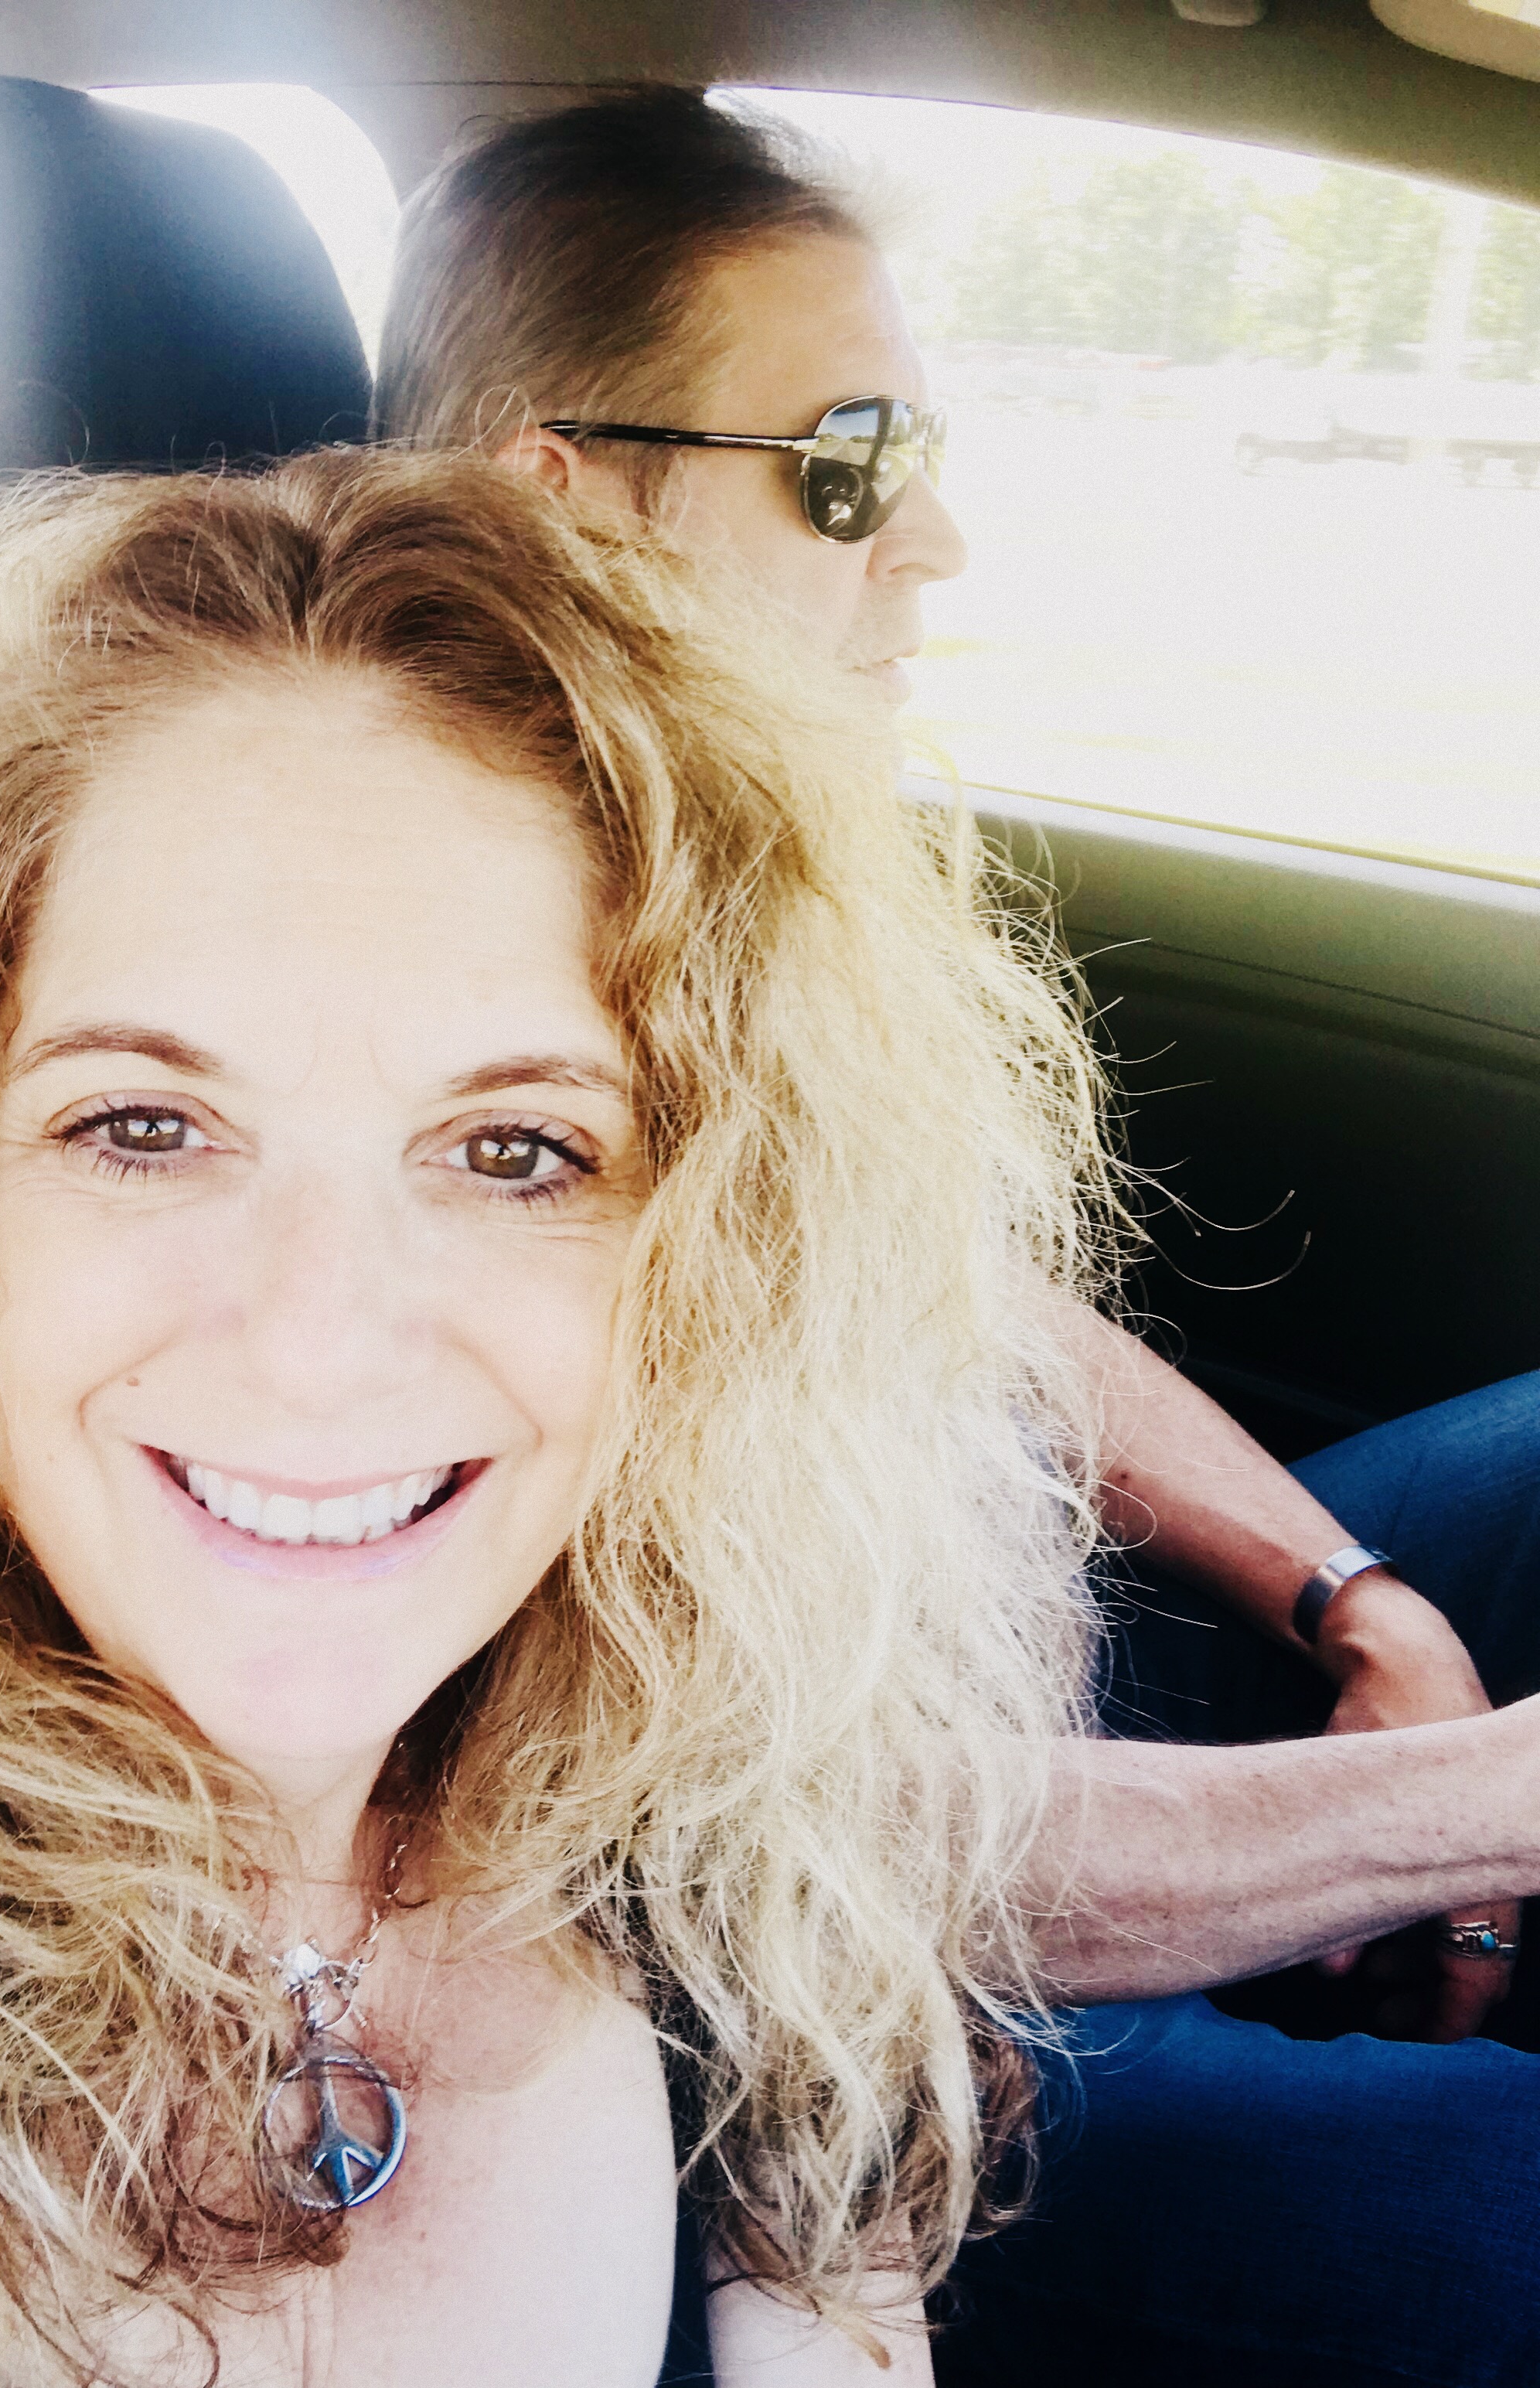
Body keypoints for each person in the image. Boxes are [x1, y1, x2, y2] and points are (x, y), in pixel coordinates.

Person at [0, 442, 1166, 2386]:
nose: (320, 1342)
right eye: (142, 1125)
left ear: (715, 1251)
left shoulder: (737, 1871)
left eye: (515, 1149)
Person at [374, 87, 1540, 2383]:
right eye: (847, 463)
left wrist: (1353, 1600)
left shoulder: (723, 867)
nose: (934, 541)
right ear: (564, 501)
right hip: (870, 2004)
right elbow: (795, 1840)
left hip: (1037, 1684)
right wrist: (1461, 1801)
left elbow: (965, 1303)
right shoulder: (439, 1038)